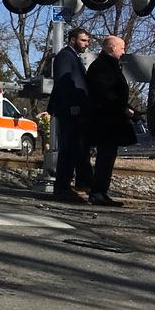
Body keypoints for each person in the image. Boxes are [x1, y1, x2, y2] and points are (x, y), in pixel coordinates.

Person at [84, 35, 134, 207]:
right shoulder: (103, 67)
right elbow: (105, 92)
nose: (124, 51)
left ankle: (100, 191)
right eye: (122, 47)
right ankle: (98, 192)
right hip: (106, 121)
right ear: (112, 47)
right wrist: (123, 107)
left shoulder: (106, 65)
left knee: (107, 156)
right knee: (105, 157)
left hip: (109, 119)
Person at [46, 27, 94, 201]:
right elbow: (64, 81)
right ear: (73, 39)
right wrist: (72, 103)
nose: (86, 44)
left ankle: (82, 183)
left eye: (87, 41)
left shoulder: (73, 57)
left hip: (76, 110)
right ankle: (62, 187)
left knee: (78, 148)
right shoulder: (66, 56)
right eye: (83, 40)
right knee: (68, 149)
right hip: (70, 110)